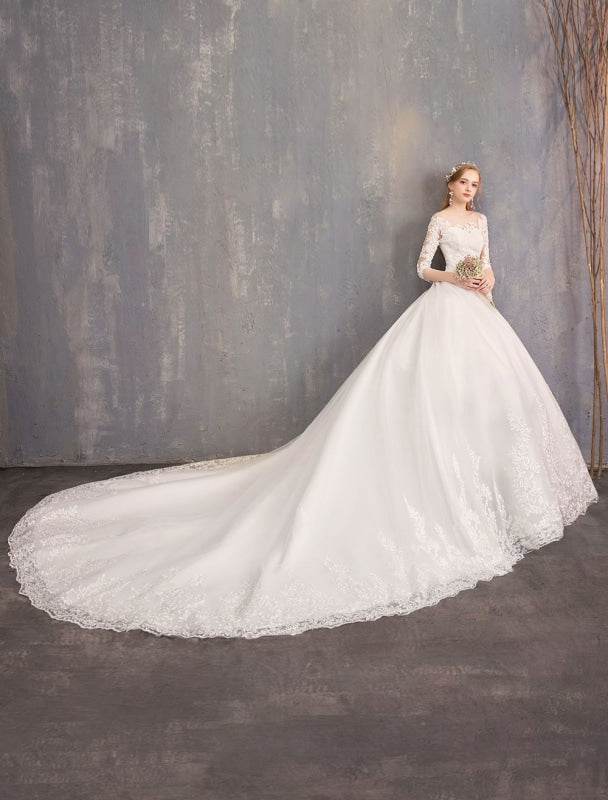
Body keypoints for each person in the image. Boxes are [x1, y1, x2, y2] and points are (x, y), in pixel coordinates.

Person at [8, 162, 597, 639]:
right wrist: (455, 279)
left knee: (484, 405)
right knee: (426, 400)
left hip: (479, 313)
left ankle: (490, 494)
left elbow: (488, 264)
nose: (471, 191)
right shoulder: (440, 220)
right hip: (444, 307)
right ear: (450, 187)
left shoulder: (482, 222)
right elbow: (423, 268)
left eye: (476, 185)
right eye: (465, 183)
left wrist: (486, 281)